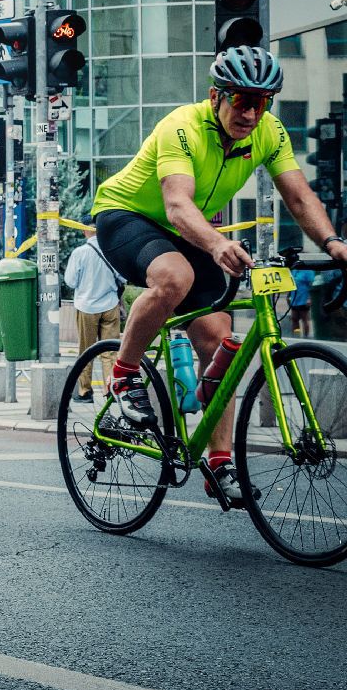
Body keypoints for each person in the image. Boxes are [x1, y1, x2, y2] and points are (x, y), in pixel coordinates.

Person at [88, 45, 347, 505]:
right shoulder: (182, 127)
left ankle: (219, 462)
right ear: (216, 96)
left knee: (219, 342)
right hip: (127, 216)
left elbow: (301, 197)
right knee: (174, 277)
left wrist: (332, 243)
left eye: (261, 102)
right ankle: (125, 373)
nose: (250, 112)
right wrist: (217, 243)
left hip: (191, 229)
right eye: (241, 100)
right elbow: (177, 204)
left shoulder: (269, 132)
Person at [63, 215, 124, 403]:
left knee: (86, 351)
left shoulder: (80, 253)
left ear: (84, 230)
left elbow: (70, 281)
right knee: (110, 352)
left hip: (87, 306)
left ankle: (85, 391)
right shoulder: (112, 250)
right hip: (110, 305)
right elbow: (122, 278)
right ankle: (110, 390)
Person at [289, 267, 315, 337]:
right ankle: (296, 335)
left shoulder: (308, 270)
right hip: (294, 298)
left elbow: (311, 284)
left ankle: (305, 336)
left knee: (304, 318)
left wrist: (309, 298)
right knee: (294, 318)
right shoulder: (294, 269)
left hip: (304, 298)